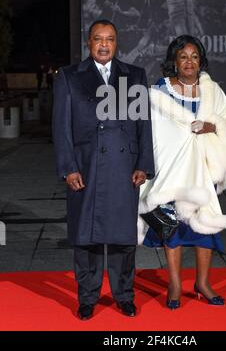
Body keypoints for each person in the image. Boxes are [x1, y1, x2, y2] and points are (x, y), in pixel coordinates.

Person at [52, 19, 155, 320]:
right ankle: (88, 297)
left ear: (116, 42)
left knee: (123, 238)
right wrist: (68, 168)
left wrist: (144, 165)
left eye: (110, 39)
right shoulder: (70, 77)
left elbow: (143, 125)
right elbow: (61, 129)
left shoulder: (134, 75)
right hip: (87, 168)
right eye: (98, 39)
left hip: (124, 169)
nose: (104, 44)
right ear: (89, 42)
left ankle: (124, 295)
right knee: (87, 238)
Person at [139, 35, 226, 309]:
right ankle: (174, 285)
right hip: (171, 170)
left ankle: (202, 283)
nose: (189, 62)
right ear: (174, 60)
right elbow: (151, 130)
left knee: (205, 225)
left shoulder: (212, 90)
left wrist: (211, 127)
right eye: (183, 56)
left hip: (202, 172)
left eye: (194, 56)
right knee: (172, 227)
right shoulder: (160, 91)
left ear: (201, 61)